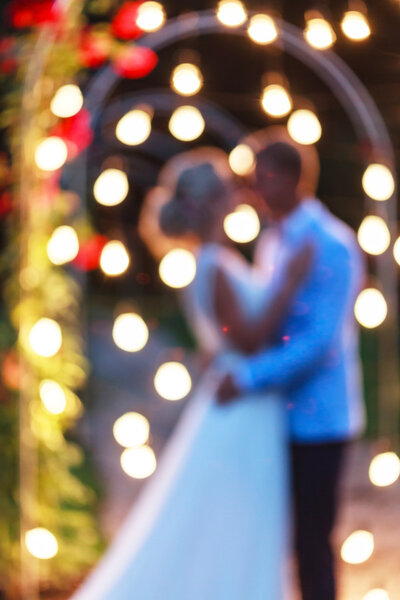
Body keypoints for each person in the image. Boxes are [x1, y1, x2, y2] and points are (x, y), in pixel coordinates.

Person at [70, 147, 311, 600]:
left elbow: (220, 340)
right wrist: (290, 285)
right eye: (228, 190)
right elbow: (247, 338)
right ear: (212, 202)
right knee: (240, 518)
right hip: (241, 405)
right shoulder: (215, 266)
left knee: (223, 520)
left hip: (239, 399)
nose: (238, 196)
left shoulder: (213, 261)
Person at [217, 141, 366, 600]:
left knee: (312, 541)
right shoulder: (272, 240)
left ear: (289, 178)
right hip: (273, 415)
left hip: (320, 419)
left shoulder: (331, 243)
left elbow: (320, 343)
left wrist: (249, 377)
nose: (254, 189)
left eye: (261, 178)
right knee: (273, 535)